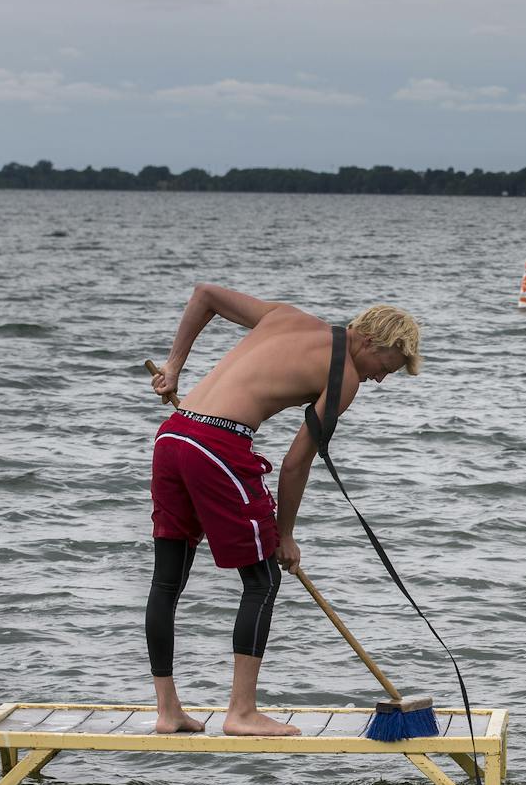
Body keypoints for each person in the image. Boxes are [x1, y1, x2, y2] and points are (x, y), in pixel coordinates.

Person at [146, 282, 422, 736]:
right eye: (386, 367)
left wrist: (175, 367)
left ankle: (168, 711)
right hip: (217, 445)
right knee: (263, 580)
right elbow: (295, 465)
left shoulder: (284, 316)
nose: (380, 379)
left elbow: (205, 295)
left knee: (167, 579)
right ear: (370, 341)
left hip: (175, 434)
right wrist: (285, 535)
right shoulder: (344, 378)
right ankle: (241, 713)